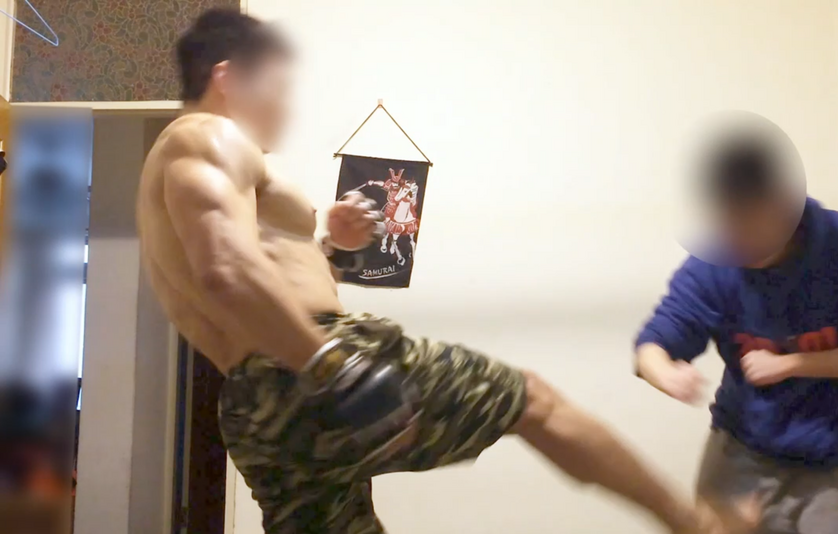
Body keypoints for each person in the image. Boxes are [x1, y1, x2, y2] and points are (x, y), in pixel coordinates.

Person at [137, 9, 753, 534]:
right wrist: (330, 366)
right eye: (276, 86)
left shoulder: (178, 169)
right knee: (533, 402)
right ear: (228, 77)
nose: (284, 105)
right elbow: (226, 270)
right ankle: (698, 524)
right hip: (307, 366)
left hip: (256, 408)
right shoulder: (209, 136)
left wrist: (333, 249)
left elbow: (254, 278)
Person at [635, 127, 838, 534]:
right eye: (726, 224)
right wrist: (663, 371)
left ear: (785, 205)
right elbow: (656, 342)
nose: (736, 240)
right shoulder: (713, 263)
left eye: (748, 226)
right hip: (743, 448)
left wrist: (793, 364)